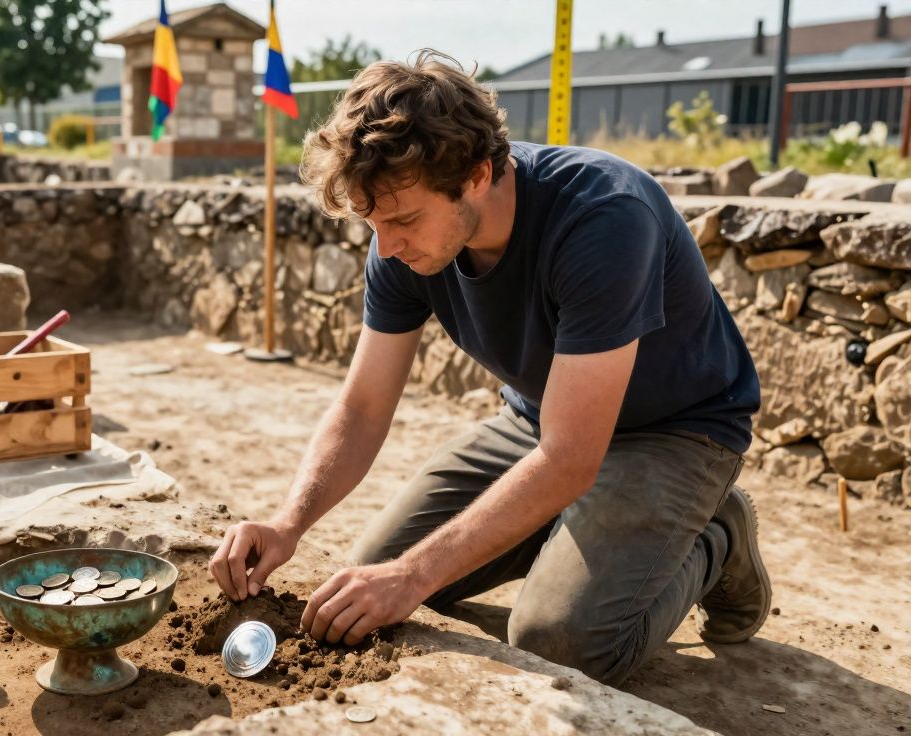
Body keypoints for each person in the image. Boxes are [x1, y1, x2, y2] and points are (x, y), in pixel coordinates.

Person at [208, 50, 769, 685]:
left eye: (402, 221)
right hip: (540, 422)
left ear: (477, 174)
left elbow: (570, 459)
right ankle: (575, 529)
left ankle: (715, 538)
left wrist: (417, 574)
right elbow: (362, 408)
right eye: (372, 223)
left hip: (674, 432)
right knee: (372, 574)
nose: (385, 246)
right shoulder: (398, 229)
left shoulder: (604, 217)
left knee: (557, 639)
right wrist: (289, 523)